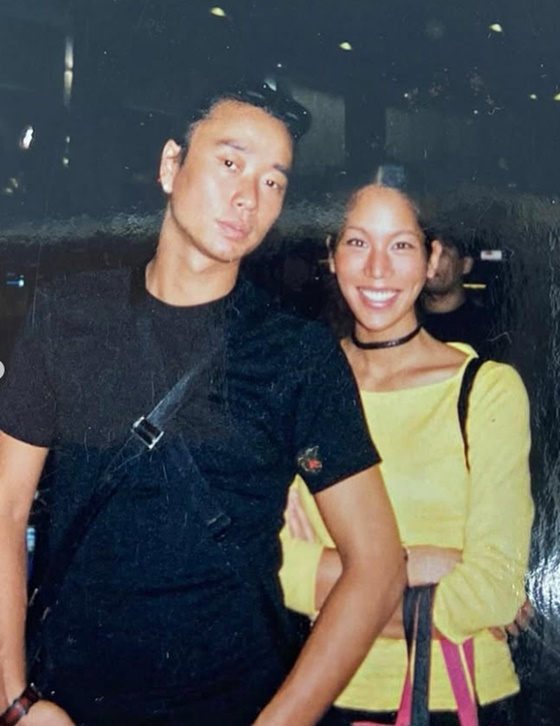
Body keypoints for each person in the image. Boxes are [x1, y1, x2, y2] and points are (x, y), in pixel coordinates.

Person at [0, 86, 405, 726]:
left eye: (273, 182)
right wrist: (16, 701)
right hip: (70, 704)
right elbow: (5, 509)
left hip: (234, 700)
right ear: (171, 165)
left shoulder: (295, 353)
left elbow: (378, 568)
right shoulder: (68, 316)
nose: (249, 197)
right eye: (230, 163)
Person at [280, 184, 534, 725]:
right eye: (357, 242)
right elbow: (275, 566)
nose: (377, 269)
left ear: (432, 258)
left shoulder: (486, 391)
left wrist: (339, 577)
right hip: (320, 693)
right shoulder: (299, 386)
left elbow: (493, 591)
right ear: (332, 254)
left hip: (455, 696)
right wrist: (428, 563)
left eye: (400, 245)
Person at [419, 228, 503, 357]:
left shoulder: (487, 328)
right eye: (428, 251)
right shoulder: (403, 319)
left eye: (443, 252)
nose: (432, 260)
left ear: (466, 265)